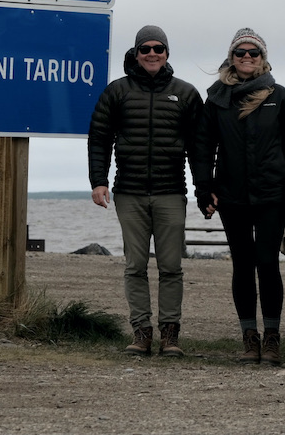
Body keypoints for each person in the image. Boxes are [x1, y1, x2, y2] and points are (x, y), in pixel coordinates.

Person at [194, 27, 285, 365]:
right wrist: (203, 187)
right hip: (232, 195)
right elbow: (202, 148)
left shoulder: (280, 96)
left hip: (273, 195)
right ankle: (249, 339)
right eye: (240, 52)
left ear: (262, 58)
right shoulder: (216, 98)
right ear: (231, 57)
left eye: (253, 52)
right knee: (243, 265)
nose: (246, 57)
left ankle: (272, 338)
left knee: (267, 263)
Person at [88, 25, 203, 357]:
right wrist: (99, 181)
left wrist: (204, 188)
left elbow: (199, 147)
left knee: (171, 267)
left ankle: (170, 335)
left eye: (159, 48)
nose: (152, 53)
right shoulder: (117, 92)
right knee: (135, 265)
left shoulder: (186, 93)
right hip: (129, 193)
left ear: (167, 53)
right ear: (135, 54)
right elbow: (99, 139)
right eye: (145, 49)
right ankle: (141, 333)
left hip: (171, 192)